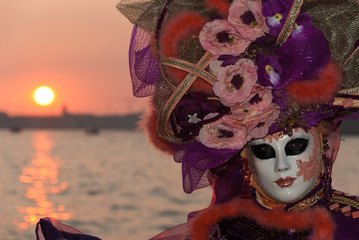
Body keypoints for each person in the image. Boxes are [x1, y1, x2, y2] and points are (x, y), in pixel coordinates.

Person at [36, 0, 359, 239]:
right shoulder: (221, 231)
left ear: (327, 146)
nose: (282, 167)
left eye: (296, 147)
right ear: (244, 157)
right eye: (263, 151)